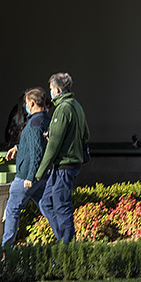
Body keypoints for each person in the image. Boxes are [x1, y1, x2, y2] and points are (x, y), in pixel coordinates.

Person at [31, 72, 89, 244]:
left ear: (57, 89)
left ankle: (68, 247)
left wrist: (39, 172)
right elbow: (86, 133)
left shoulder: (62, 109)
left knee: (61, 206)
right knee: (46, 202)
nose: (50, 92)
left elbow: (53, 145)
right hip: (70, 164)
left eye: (51, 89)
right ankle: (64, 240)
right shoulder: (77, 106)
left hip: (64, 165)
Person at [1, 88, 50, 247]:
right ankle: (67, 241)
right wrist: (18, 148)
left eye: (26, 103)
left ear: (32, 103)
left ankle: (6, 249)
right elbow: (35, 145)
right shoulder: (43, 120)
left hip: (26, 177)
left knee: (12, 210)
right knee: (48, 210)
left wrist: (30, 176)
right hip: (39, 177)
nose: (25, 105)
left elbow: (37, 151)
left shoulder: (35, 123)